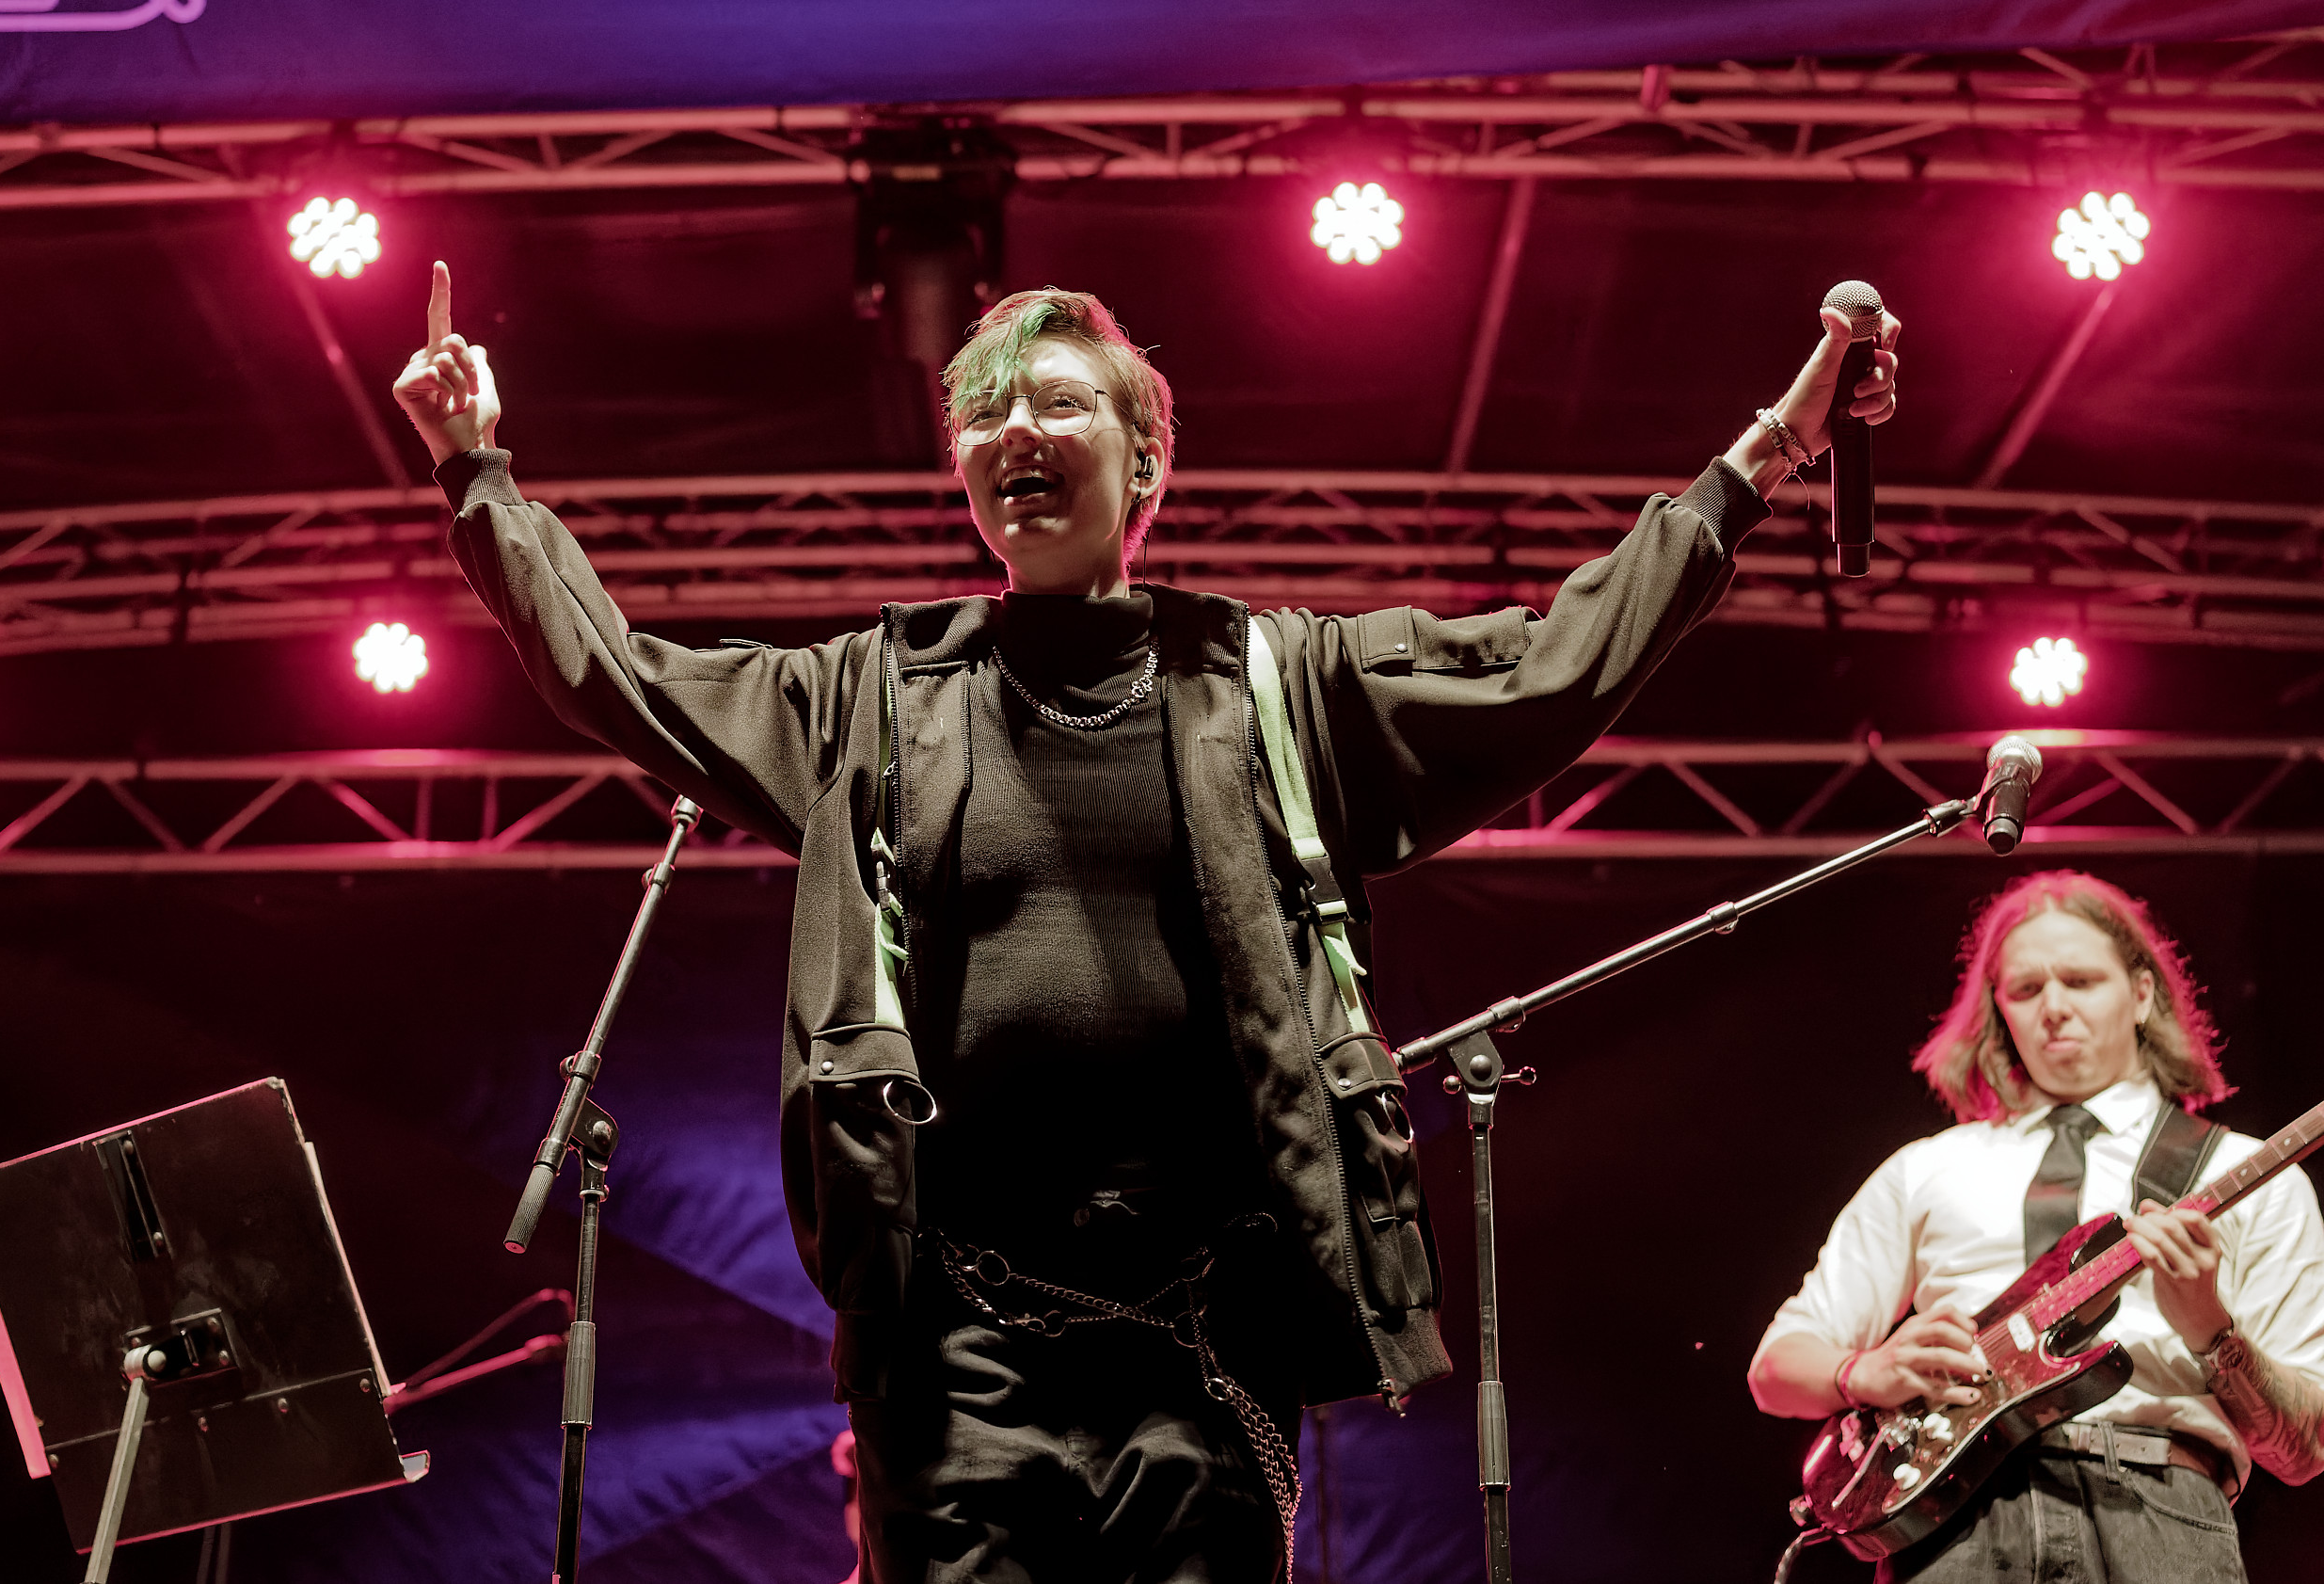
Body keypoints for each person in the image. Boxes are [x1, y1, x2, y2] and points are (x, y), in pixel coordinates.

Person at [395, 262, 1898, 1583]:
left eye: (1059, 403)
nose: (1016, 433)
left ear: (1148, 460)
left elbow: (1556, 663)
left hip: (1206, 1331)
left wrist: (1768, 453)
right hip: (955, 1347)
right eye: (984, 414)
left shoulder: (1274, 679)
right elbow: (621, 673)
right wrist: (478, 470)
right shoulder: (871, 696)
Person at [1748, 870, 2324, 1582]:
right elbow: (1776, 1368)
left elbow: (2306, 1451)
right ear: (1999, 1009)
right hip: (1956, 1520)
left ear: (2142, 993)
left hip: (2162, 1513)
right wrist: (1863, 1370)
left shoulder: (2249, 1175)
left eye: (2080, 980)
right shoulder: (1927, 1168)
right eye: (2026, 989)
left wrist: (2211, 1331)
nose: (2053, 1008)